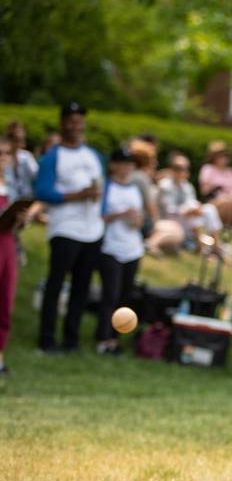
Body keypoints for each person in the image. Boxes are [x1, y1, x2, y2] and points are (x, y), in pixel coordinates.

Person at [35, 102, 105, 353]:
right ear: (63, 123)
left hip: (92, 229)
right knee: (56, 285)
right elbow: (42, 191)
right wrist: (77, 196)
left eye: (79, 121)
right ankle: (46, 339)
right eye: (71, 120)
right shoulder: (53, 156)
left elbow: (102, 189)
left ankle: (71, 340)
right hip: (65, 228)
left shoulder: (94, 156)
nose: (76, 125)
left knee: (82, 287)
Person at [95, 148, 144, 355]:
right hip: (110, 247)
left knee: (125, 296)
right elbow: (98, 216)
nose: (127, 168)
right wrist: (121, 214)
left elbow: (141, 219)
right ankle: (103, 338)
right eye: (123, 163)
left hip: (132, 248)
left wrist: (136, 220)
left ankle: (116, 339)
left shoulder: (134, 189)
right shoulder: (106, 187)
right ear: (114, 165)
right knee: (110, 295)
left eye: (130, 164)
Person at [156, 151, 223, 251]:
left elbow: (191, 205)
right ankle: (201, 246)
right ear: (171, 169)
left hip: (186, 220)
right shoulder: (165, 185)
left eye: (184, 168)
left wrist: (195, 209)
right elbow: (168, 210)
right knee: (193, 211)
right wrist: (187, 211)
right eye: (178, 168)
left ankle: (216, 244)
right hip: (170, 221)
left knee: (209, 209)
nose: (182, 171)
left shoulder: (187, 186)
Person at [0, 136, 27, 382]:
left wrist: (20, 219)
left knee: (5, 302)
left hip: (8, 243)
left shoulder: (11, 185)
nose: (3, 158)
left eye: (6, 153)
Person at [198, 140, 232, 227]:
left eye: (226, 156)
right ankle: (225, 229)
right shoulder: (208, 169)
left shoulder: (230, 171)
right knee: (226, 201)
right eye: (221, 156)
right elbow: (204, 191)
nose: (224, 158)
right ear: (214, 157)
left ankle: (225, 229)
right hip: (214, 200)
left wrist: (230, 194)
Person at [5, 121, 38, 199]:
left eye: (23, 139)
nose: (23, 144)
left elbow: (36, 175)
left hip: (26, 198)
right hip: (8, 200)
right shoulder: (3, 157)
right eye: (18, 139)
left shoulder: (26, 156)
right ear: (9, 139)